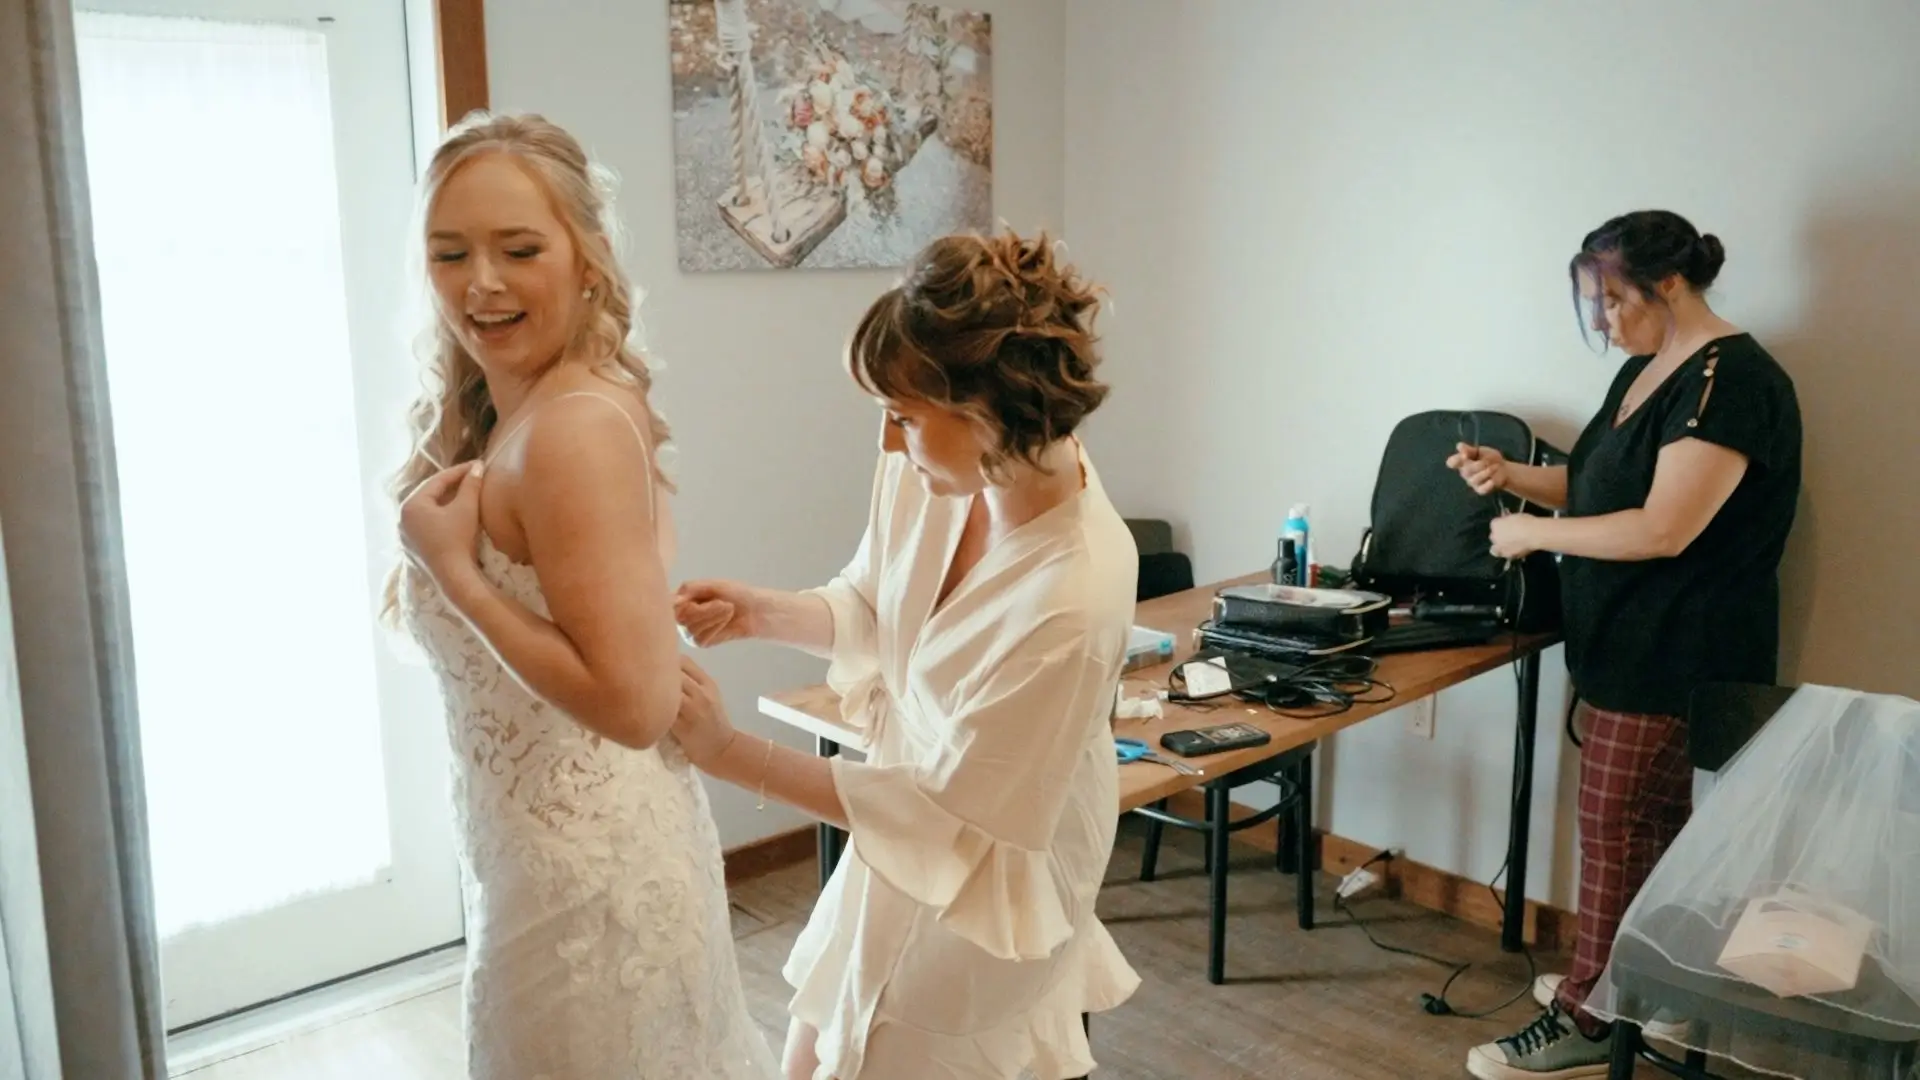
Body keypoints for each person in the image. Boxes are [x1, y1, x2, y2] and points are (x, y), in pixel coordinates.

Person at [670, 230, 1142, 1080]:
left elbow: (944, 813)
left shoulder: (1074, 591)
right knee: (818, 1041)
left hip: (995, 846)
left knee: (906, 1047)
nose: (889, 441)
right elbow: (875, 604)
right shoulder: (940, 467)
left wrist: (727, 752)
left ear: (987, 411)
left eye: (905, 418)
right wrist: (757, 612)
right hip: (899, 804)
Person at [388, 112, 777, 1080]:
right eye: (450, 253)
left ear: (588, 258)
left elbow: (637, 708)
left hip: (589, 900)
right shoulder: (538, 402)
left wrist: (457, 576)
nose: (480, 282)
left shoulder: (572, 426)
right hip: (542, 861)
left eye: (519, 250)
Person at [1449, 210, 1802, 1080]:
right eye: (1596, 305)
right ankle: (1635, 989)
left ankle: (1590, 1016)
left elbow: (1663, 527)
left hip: (1680, 653)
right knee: (1643, 832)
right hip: (1624, 644)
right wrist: (1512, 476)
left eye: (1614, 301)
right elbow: (1596, 485)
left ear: (1669, 285)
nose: (1604, 322)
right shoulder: (1648, 372)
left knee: (1615, 830)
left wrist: (1533, 535)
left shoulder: (1733, 381)